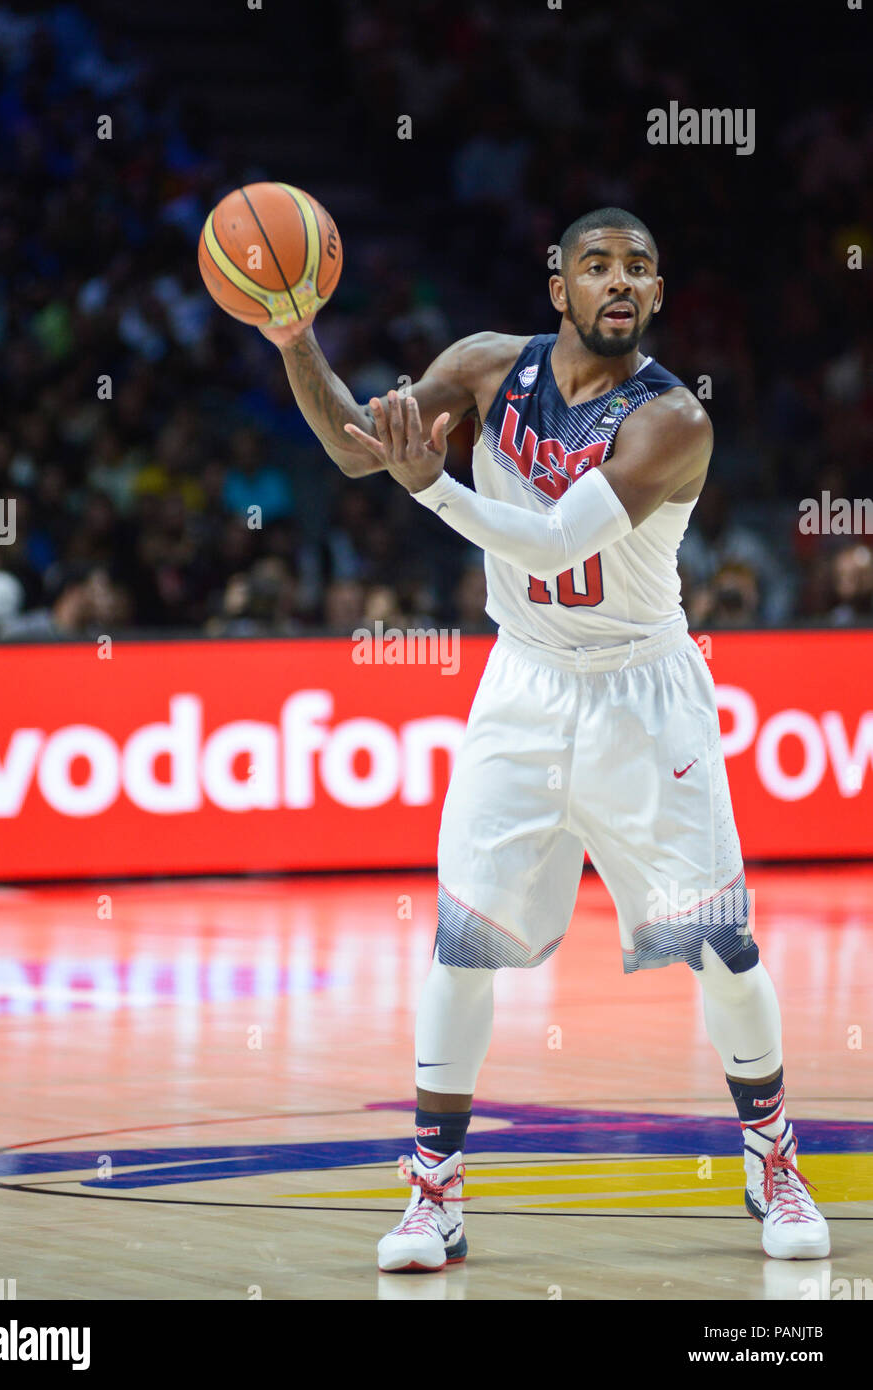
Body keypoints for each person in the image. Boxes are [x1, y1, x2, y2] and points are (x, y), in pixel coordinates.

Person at [258, 208, 830, 1269]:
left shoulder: (673, 422)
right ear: (555, 283)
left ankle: (773, 1155)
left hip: (643, 691)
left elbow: (557, 535)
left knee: (720, 947)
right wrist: (297, 341)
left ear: (657, 297)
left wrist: (432, 486)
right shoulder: (482, 369)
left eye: (640, 270)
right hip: (520, 682)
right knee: (460, 947)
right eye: (597, 265)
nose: (619, 282)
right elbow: (352, 450)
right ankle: (434, 1191)